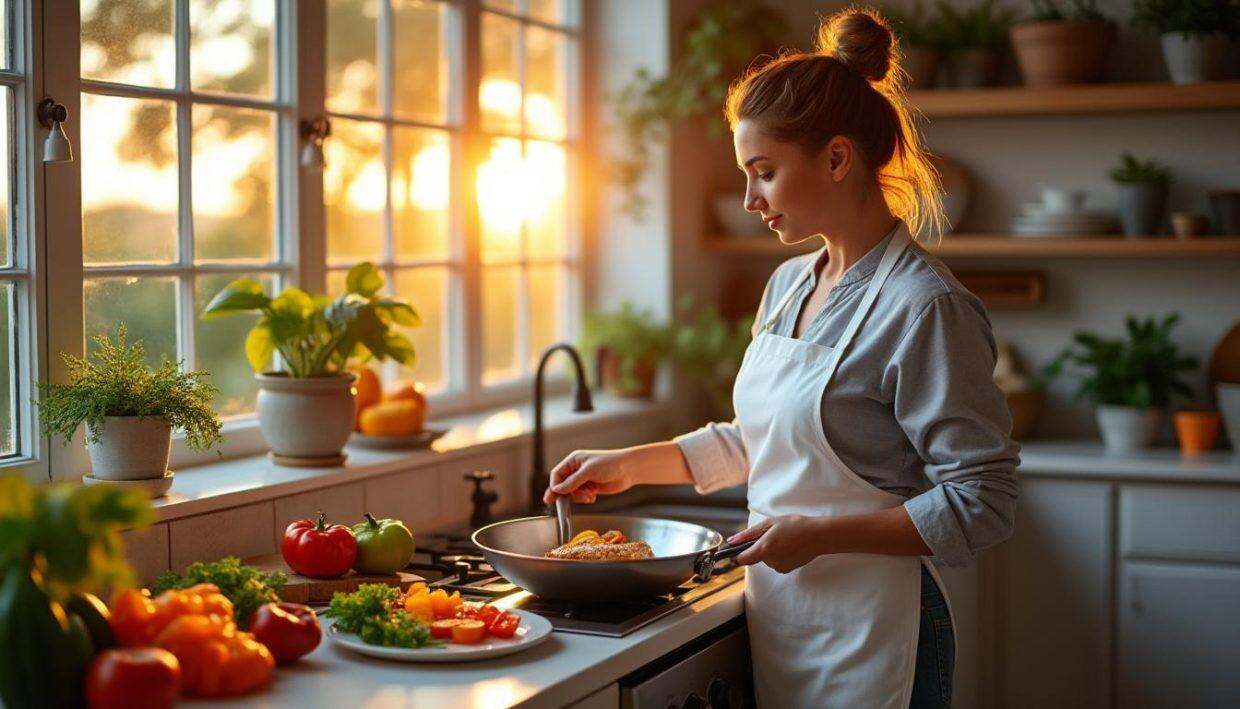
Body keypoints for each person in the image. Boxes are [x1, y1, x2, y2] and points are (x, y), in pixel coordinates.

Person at [544, 9, 1019, 708]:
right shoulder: (791, 283)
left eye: (763, 172)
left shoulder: (924, 307)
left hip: (882, 633)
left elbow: (983, 499)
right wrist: (630, 464)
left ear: (835, 158)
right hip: (788, 621)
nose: (748, 199)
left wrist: (822, 536)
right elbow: (763, 441)